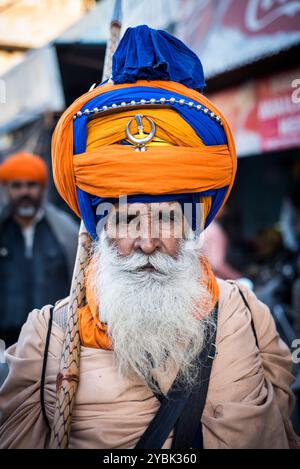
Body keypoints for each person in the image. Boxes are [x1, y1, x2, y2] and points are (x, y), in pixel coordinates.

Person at [0, 26, 299, 449]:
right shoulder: (47, 339)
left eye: (167, 219)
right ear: (100, 228)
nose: (146, 241)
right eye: (125, 220)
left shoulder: (249, 319)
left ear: (194, 226)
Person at [0, 152, 79, 346]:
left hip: (53, 342)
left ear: (42, 188)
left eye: (31, 185)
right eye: (16, 186)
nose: (24, 192)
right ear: (6, 189)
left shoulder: (65, 230)